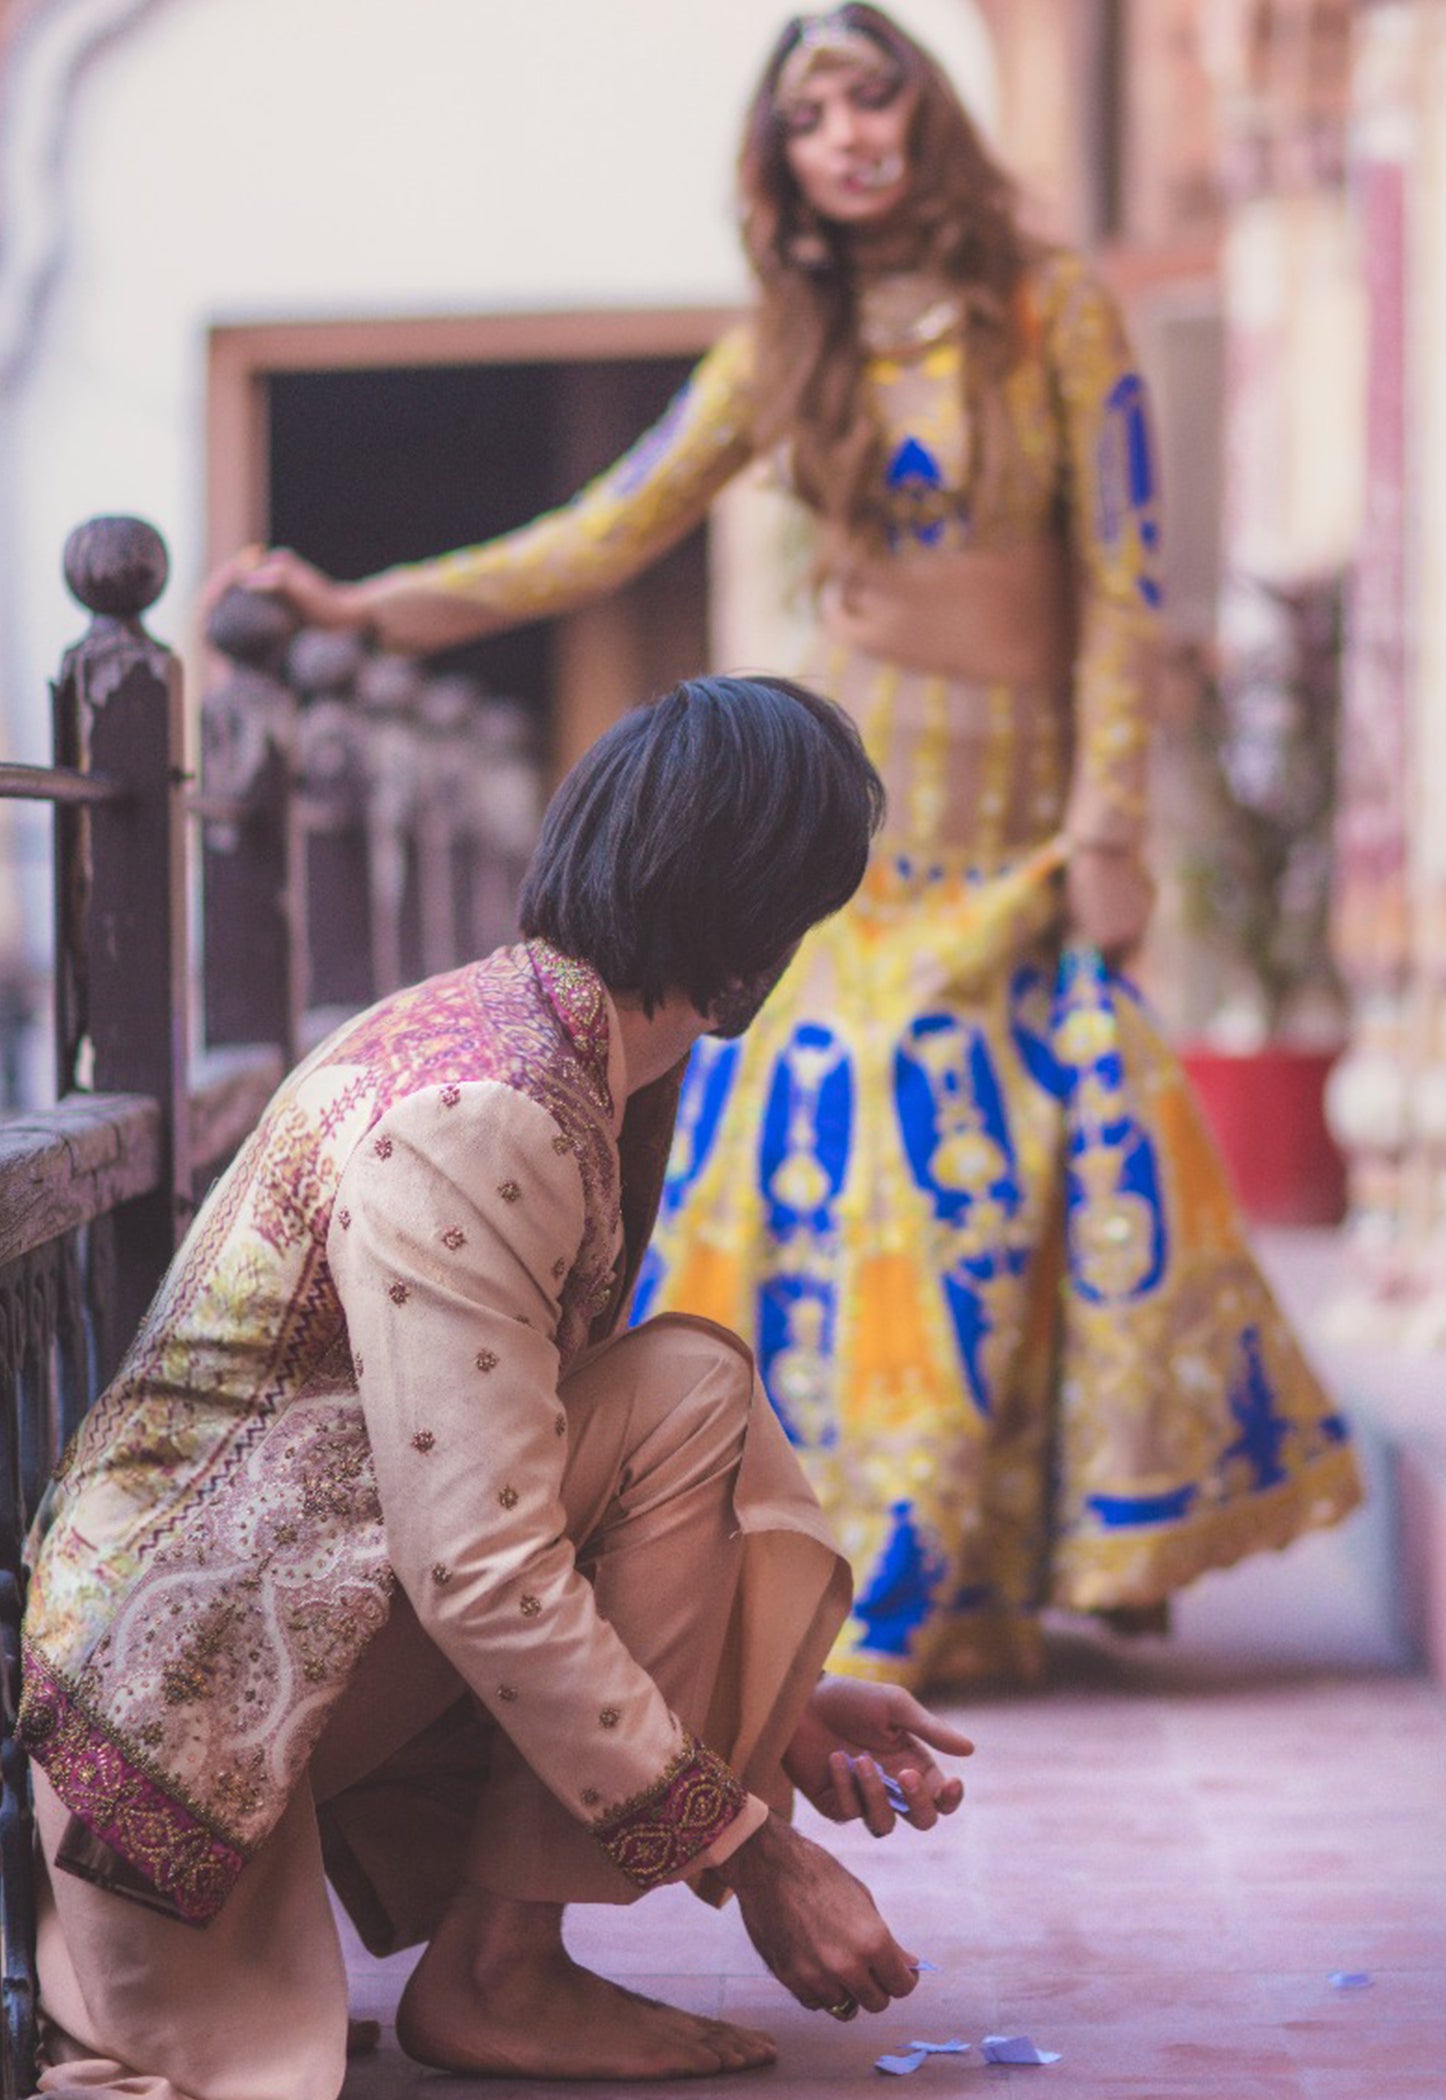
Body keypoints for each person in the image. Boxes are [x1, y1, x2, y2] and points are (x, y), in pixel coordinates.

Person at [231, 4, 1361, 1694]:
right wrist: (368, 607)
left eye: (873, 95)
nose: (849, 131)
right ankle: (891, 1590)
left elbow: (1129, 591)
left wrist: (1109, 830)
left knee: (1029, 1178)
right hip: (854, 853)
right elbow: (607, 529)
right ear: (782, 158)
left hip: (1021, 846)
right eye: (813, 110)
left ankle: (1012, 1567)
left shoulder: (1052, 313)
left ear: (923, 119)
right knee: (856, 1198)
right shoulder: (785, 347)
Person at [19, 675, 977, 2100]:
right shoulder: (488, 1111)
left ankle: (503, 1962)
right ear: (757, 936)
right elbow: (482, 1569)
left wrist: (779, 1707)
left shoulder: (556, 1049)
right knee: (691, 1398)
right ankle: (499, 1973)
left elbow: (513, 1469)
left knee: (675, 1390)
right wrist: (755, 1855)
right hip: (174, 1717)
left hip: (251, 1625)